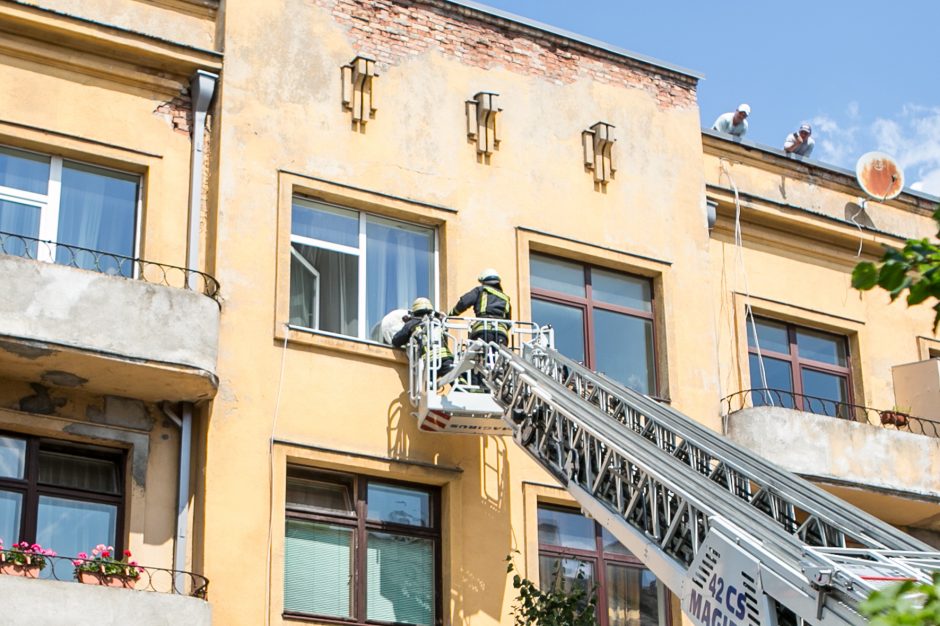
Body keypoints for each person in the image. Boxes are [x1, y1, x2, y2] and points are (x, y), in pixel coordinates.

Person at [449, 268, 512, 347]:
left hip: (483, 332)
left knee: (480, 357)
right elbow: (509, 322)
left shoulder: (480, 290)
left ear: (483, 281)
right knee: (498, 357)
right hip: (502, 335)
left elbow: (464, 302)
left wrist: (451, 314)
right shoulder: (506, 298)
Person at [392, 297, 453, 378]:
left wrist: (407, 324)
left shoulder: (412, 323)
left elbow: (396, 340)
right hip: (446, 358)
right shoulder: (437, 322)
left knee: (427, 386)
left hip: (429, 361)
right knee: (457, 380)